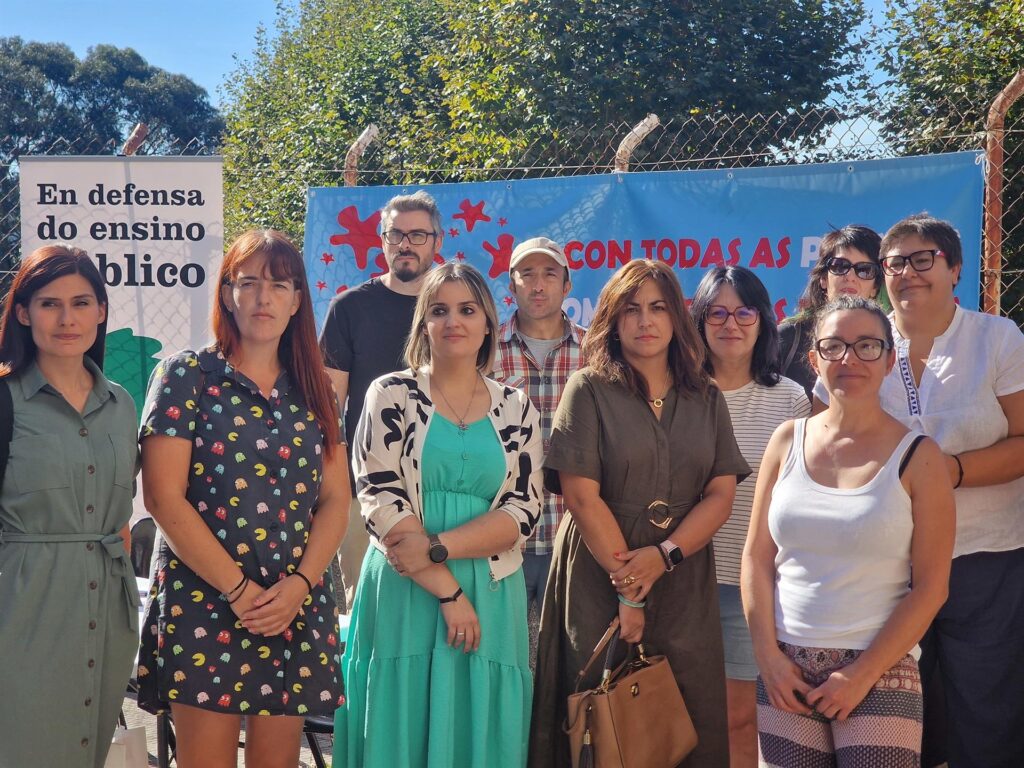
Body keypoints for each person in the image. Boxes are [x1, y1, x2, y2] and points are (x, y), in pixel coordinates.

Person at [814, 215, 1024, 767]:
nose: (908, 273)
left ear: (955, 268)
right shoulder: (863, 338)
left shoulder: (996, 338)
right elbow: (825, 441)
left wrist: (947, 472)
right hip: (888, 567)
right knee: (900, 719)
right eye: (895, 263)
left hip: (985, 558)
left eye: (923, 259)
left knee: (988, 716)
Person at [137, 230, 349, 768]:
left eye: (280, 284)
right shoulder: (185, 376)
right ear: (226, 292)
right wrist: (239, 591)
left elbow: (336, 501)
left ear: (298, 299)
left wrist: (297, 588)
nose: (263, 298)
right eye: (249, 282)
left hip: (291, 606)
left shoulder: (315, 388)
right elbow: (164, 499)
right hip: (207, 598)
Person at [530, 259, 750, 768]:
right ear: (612, 318)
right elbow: (581, 497)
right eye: (631, 309)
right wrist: (629, 584)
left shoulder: (706, 395)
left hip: (683, 576)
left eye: (656, 307)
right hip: (597, 573)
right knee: (600, 716)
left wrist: (665, 555)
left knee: (686, 716)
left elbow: (720, 494)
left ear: (676, 317)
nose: (645, 320)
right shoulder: (587, 387)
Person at [334, 261, 543, 767]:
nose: (454, 321)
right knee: (400, 723)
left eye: (467, 310)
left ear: (489, 322)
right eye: (439, 310)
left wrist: (439, 549)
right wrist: (448, 590)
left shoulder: (517, 407)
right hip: (407, 589)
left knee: (479, 729)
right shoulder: (391, 393)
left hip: (489, 589)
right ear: (423, 324)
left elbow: (523, 508)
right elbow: (381, 497)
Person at [745, 296, 955, 766]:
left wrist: (862, 674)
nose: (849, 359)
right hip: (785, 672)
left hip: (881, 672)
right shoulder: (786, 440)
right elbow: (756, 558)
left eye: (866, 346)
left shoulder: (920, 457)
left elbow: (931, 588)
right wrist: (769, 659)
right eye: (834, 346)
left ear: (889, 359)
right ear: (814, 359)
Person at [0, 245, 139, 768]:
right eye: (49, 303)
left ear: (101, 312)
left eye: (81, 303)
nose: (66, 319)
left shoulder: (122, 404)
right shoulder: (4, 400)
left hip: (107, 608)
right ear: (22, 312)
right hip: (21, 604)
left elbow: (121, 517)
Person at [689, 265, 810, 768]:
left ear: (763, 321)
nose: (730, 323)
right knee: (682, 714)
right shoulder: (678, 393)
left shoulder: (790, 398)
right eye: (716, 312)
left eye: (743, 312)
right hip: (680, 578)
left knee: (740, 719)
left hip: (752, 587)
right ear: (698, 322)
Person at [319, 190, 444, 604]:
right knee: (368, 610)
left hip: (443, 487)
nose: (405, 244)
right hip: (365, 491)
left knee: (442, 608)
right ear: (382, 240)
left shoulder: (455, 307)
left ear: (437, 242)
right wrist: (335, 484)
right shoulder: (350, 308)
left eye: (418, 235)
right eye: (396, 234)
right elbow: (328, 407)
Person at [493, 236, 586, 626]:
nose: (538, 284)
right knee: (502, 654)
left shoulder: (594, 350)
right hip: (501, 530)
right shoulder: (485, 349)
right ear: (511, 285)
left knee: (565, 659)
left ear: (567, 285)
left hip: (574, 531)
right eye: (526, 274)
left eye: (549, 274)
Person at [779, 225, 882, 400]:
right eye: (840, 266)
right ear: (824, 279)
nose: (850, 276)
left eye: (864, 270)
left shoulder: (889, 341)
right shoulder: (789, 337)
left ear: (875, 287)